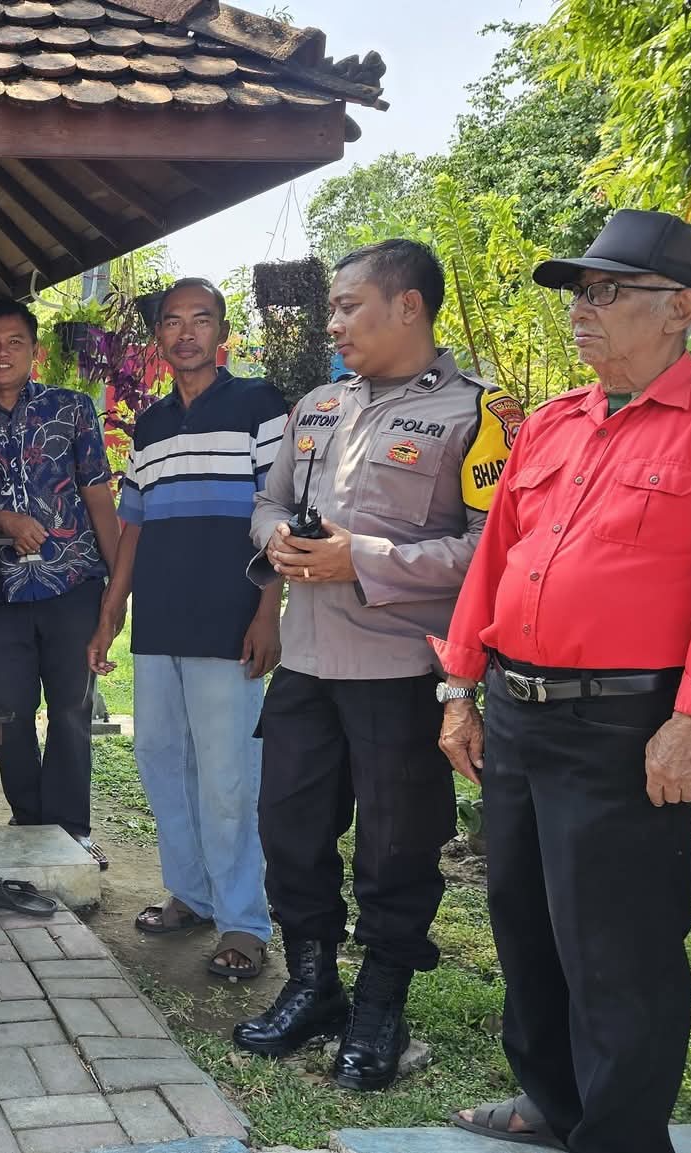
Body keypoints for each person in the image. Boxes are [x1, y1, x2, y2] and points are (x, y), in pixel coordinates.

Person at [437, 211, 691, 1152]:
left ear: (680, 308)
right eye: (578, 294)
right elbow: (496, 559)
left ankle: (621, 1135)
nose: (580, 311)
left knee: (619, 947)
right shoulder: (555, 422)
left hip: (626, 725)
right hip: (517, 711)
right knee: (523, 920)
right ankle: (551, 1104)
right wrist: (460, 688)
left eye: (604, 292)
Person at [236, 239, 518, 1091]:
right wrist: (277, 542)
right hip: (308, 663)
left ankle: (379, 1005)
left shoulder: (479, 414)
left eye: (348, 305)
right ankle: (313, 984)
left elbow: (493, 551)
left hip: (403, 670)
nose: (334, 323)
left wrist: (362, 558)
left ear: (407, 306)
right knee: (288, 830)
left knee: (397, 849)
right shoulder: (317, 406)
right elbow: (269, 501)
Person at [89, 278, 284, 980]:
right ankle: (192, 894)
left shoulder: (260, 406)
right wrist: (111, 613)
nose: (187, 333)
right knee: (161, 759)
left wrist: (268, 611)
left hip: (231, 620)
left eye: (201, 320)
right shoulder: (150, 424)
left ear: (221, 332)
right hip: (160, 620)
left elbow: (281, 511)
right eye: (173, 322)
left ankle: (244, 922)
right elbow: (133, 526)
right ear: (159, 338)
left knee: (228, 776)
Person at [0, 298, 121, 863]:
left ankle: (70, 830)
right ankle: (30, 823)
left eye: (14, 342)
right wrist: (1, 519)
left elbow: (99, 498)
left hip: (73, 585)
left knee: (71, 711)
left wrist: (116, 592)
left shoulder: (72, 409)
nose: (2, 353)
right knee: (6, 712)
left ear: (33, 349)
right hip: (0, 591)